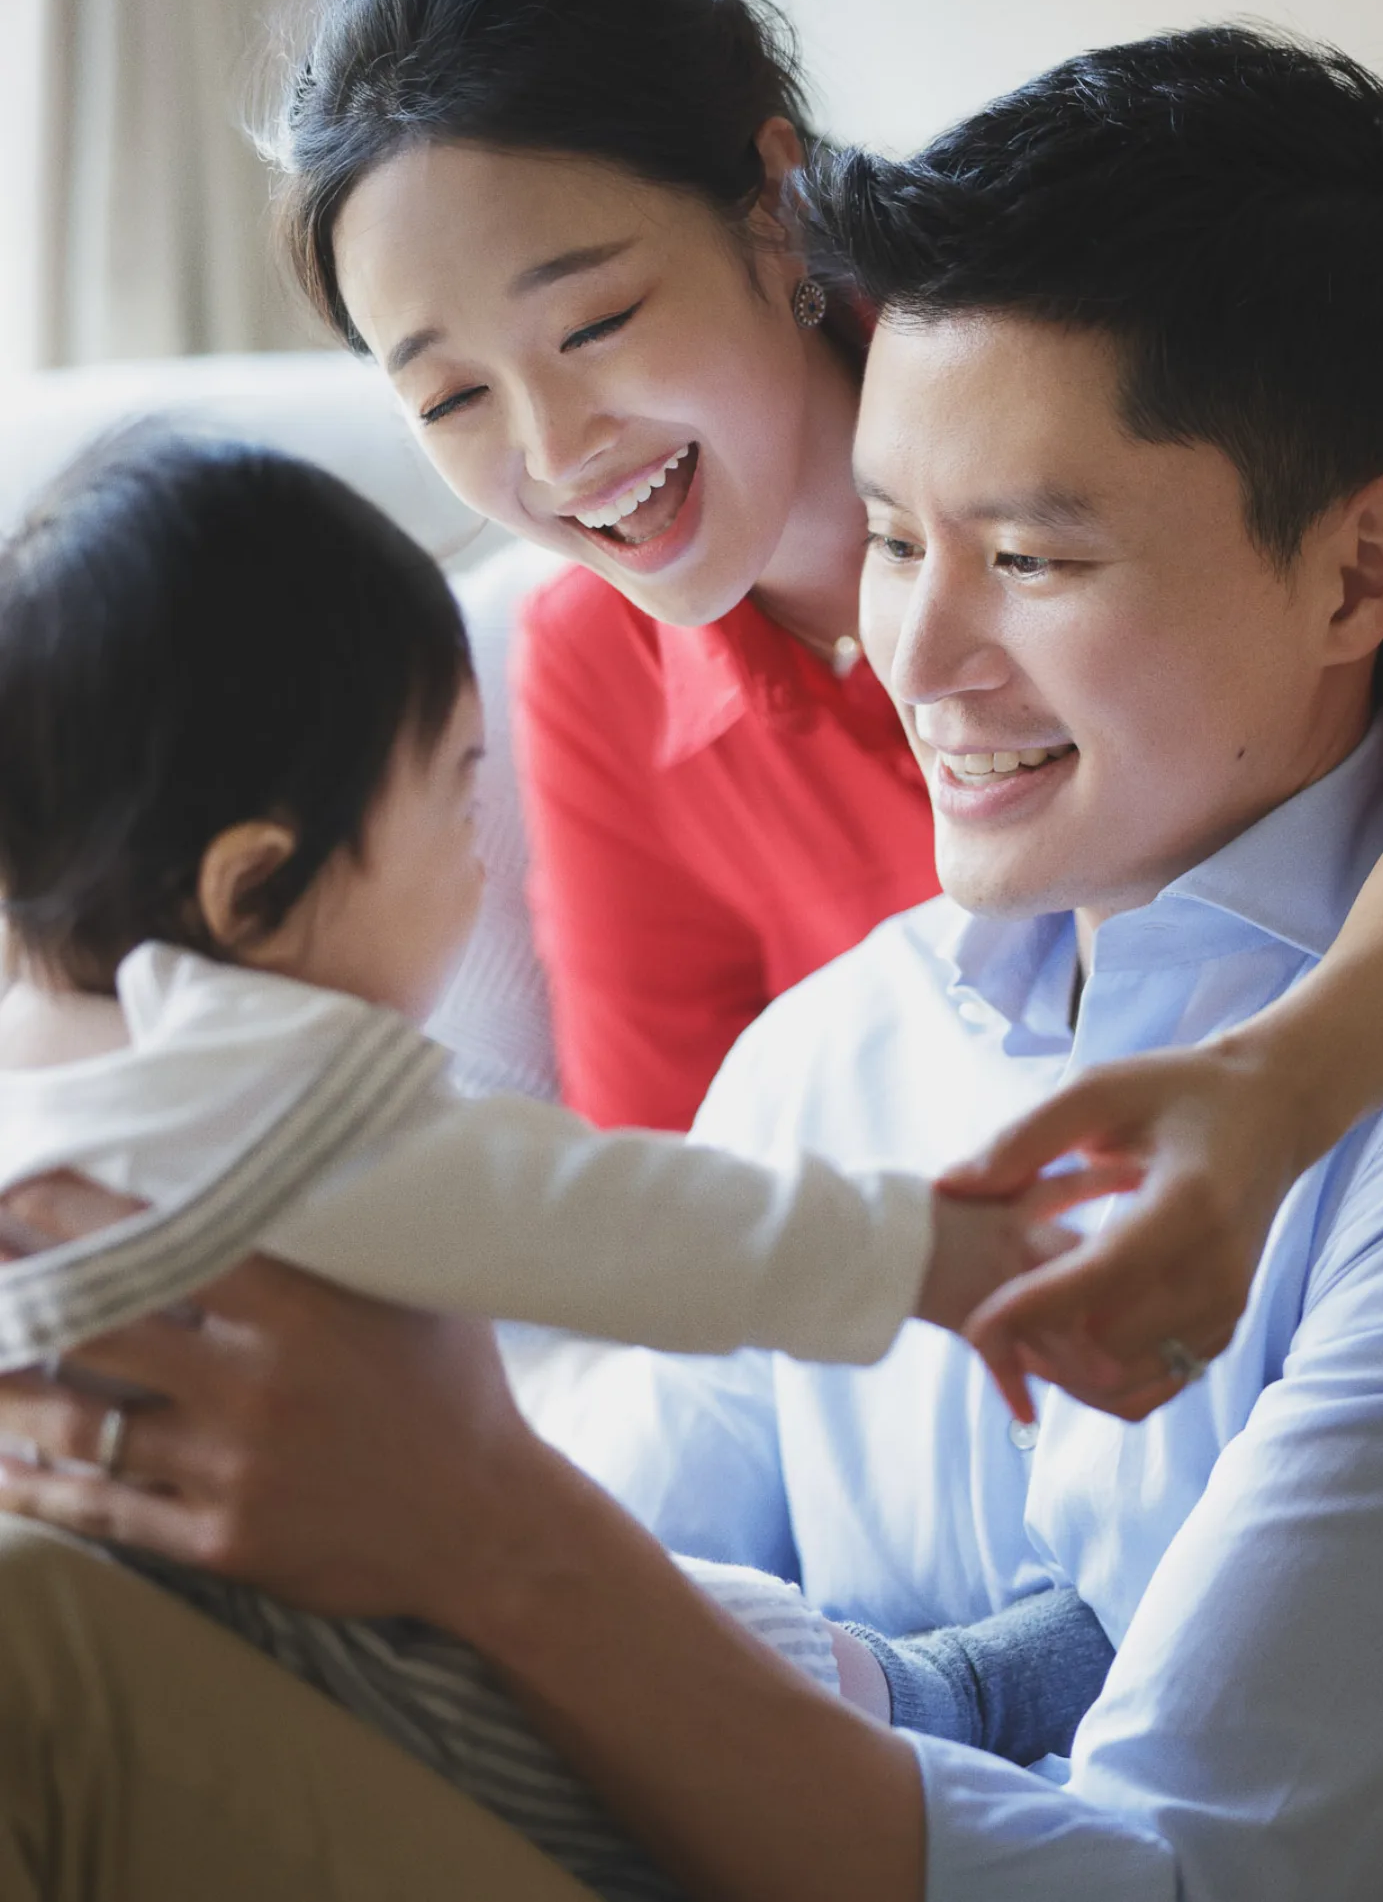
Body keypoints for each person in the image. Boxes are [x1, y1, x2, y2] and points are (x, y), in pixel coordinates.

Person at [2, 24, 1383, 1902]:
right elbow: (616, 1485)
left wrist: (486, 1534)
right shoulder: (844, 1046)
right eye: (886, 538)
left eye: (1031, 560)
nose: (914, 651)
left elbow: (1176, 1885)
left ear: (1363, 577)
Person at [274, 0, 1383, 1400]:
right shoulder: (589, 682)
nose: (557, 450)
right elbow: (689, 1238)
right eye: (449, 394)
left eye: (597, 321)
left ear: (776, 210)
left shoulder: (1151, 347)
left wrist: (1277, 1098)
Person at [0, 431, 1118, 1896]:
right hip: (404, 1710)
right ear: (256, 883)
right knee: (624, 1699)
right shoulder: (266, 1081)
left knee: (626, 1564)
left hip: (232, 1650)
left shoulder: (43, 1073)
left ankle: (933, 1691)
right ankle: (945, 1700)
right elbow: (621, 1224)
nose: (486, 864)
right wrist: (935, 1255)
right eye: (462, 801)